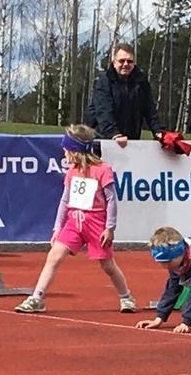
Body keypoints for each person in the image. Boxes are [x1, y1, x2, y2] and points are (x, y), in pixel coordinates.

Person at [14, 124, 136, 314]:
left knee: (108, 265)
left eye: (67, 150)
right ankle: (37, 298)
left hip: (96, 223)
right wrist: (57, 228)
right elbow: (65, 200)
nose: (64, 153)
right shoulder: (71, 172)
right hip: (74, 223)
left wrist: (109, 227)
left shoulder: (103, 169)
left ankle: (126, 297)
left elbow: (111, 199)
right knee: (54, 256)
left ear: (76, 151)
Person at [85, 43, 165, 148]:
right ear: (114, 62)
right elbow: (103, 111)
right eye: (122, 61)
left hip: (131, 142)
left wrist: (158, 131)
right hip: (103, 141)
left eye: (130, 61)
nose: (126, 64)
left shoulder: (141, 82)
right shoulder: (104, 81)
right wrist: (114, 134)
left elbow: (150, 109)